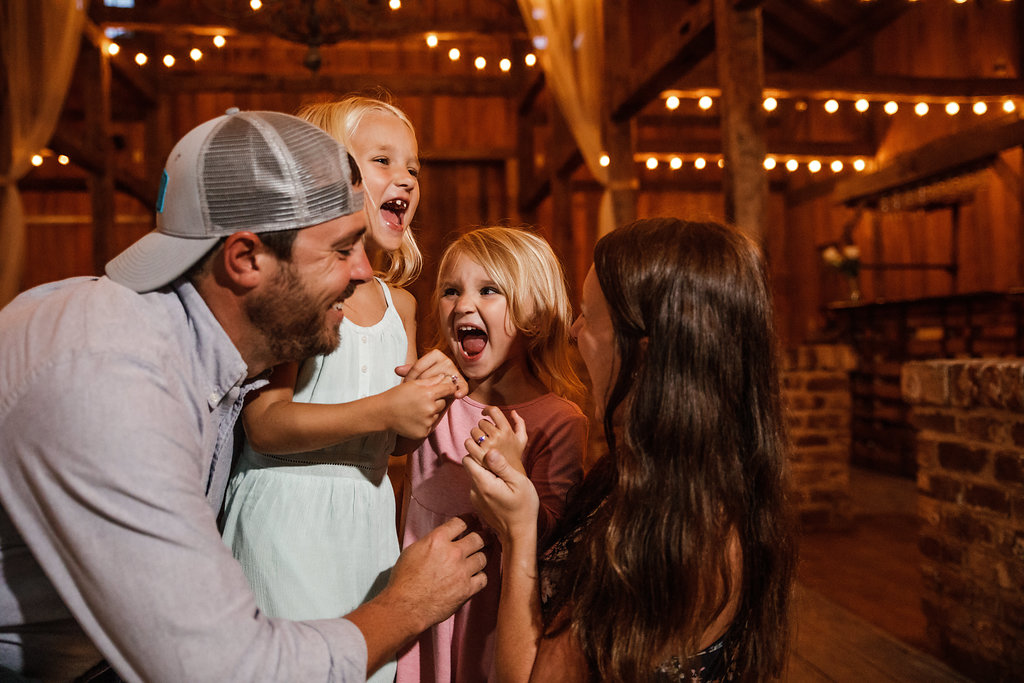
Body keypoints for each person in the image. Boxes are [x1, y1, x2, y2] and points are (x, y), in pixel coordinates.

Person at [0, 109, 486, 682]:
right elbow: (228, 669)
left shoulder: (198, 353)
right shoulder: (110, 380)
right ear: (245, 258)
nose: (362, 273)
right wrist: (407, 604)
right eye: (340, 249)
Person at [465, 218, 797, 682]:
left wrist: (518, 535)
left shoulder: (679, 532)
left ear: (643, 352)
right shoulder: (662, 475)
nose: (576, 331)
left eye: (589, 316)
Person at [219, 95, 454, 683]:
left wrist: (422, 403)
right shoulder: (305, 288)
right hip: (289, 515)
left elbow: (395, 444)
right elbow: (265, 424)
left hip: (366, 520)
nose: (405, 178)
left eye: (414, 168)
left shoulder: (402, 305)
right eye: (382, 160)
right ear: (331, 178)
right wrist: (385, 407)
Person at [397, 226, 588, 683]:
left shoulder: (560, 421)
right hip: (419, 614)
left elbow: (552, 545)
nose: (463, 304)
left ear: (534, 316)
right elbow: (385, 446)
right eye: (450, 291)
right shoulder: (433, 399)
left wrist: (512, 472)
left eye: (488, 290)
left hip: (496, 624)